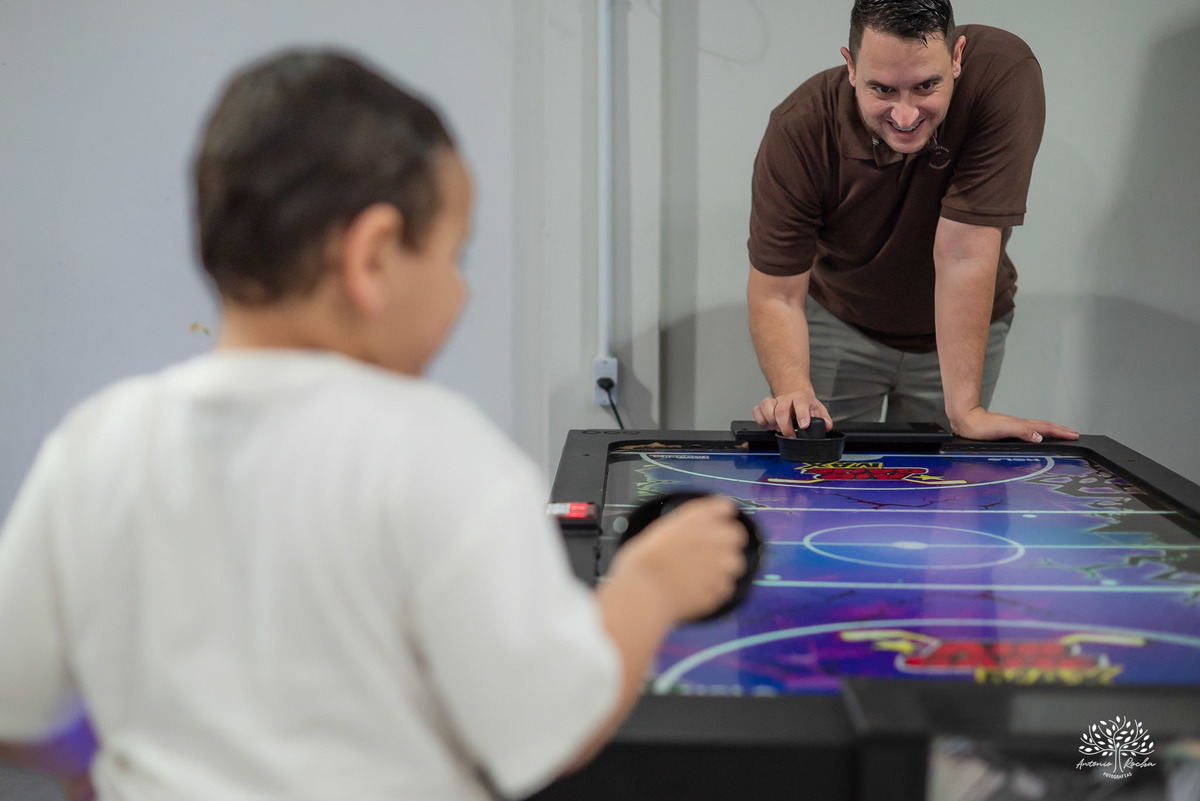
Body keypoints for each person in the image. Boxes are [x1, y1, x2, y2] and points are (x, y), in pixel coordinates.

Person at [0, 50, 748, 801]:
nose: (460, 290)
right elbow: (556, 720)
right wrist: (650, 585)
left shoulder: (97, 443)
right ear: (374, 257)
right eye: (456, 256)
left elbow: (18, 710)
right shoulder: (438, 454)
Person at [747, 0, 1079, 444]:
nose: (905, 116)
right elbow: (778, 293)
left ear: (957, 57)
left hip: (959, 331)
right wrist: (795, 390)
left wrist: (966, 411)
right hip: (841, 322)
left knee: (944, 479)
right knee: (821, 468)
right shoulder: (800, 130)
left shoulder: (1001, 73)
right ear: (851, 67)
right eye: (882, 89)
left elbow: (964, 252)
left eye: (926, 86)